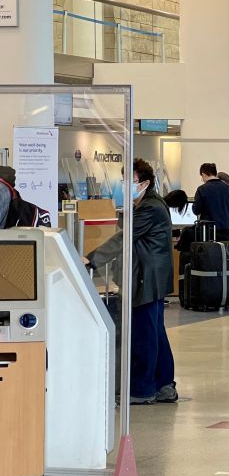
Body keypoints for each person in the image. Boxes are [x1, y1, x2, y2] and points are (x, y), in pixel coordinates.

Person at [84, 159, 176, 405]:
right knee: (155, 333)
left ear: (145, 183)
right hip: (149, 276)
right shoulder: (146, 204)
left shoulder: (150, 208)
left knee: (144, 335)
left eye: (130, 181)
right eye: (124, 179)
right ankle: (165, 385)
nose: (125, 184)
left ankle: (143, 389)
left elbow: (124, 238)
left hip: (146, 278)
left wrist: (91, 259)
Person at [191, 163, 229, 241]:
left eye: (202, 177)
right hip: (226, 231)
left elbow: (196, 210)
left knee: (210, 252)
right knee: (223, 252)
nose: (202, 179)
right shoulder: (228, 189)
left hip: (208, 232)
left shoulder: (202, 189)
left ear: (203, 174)